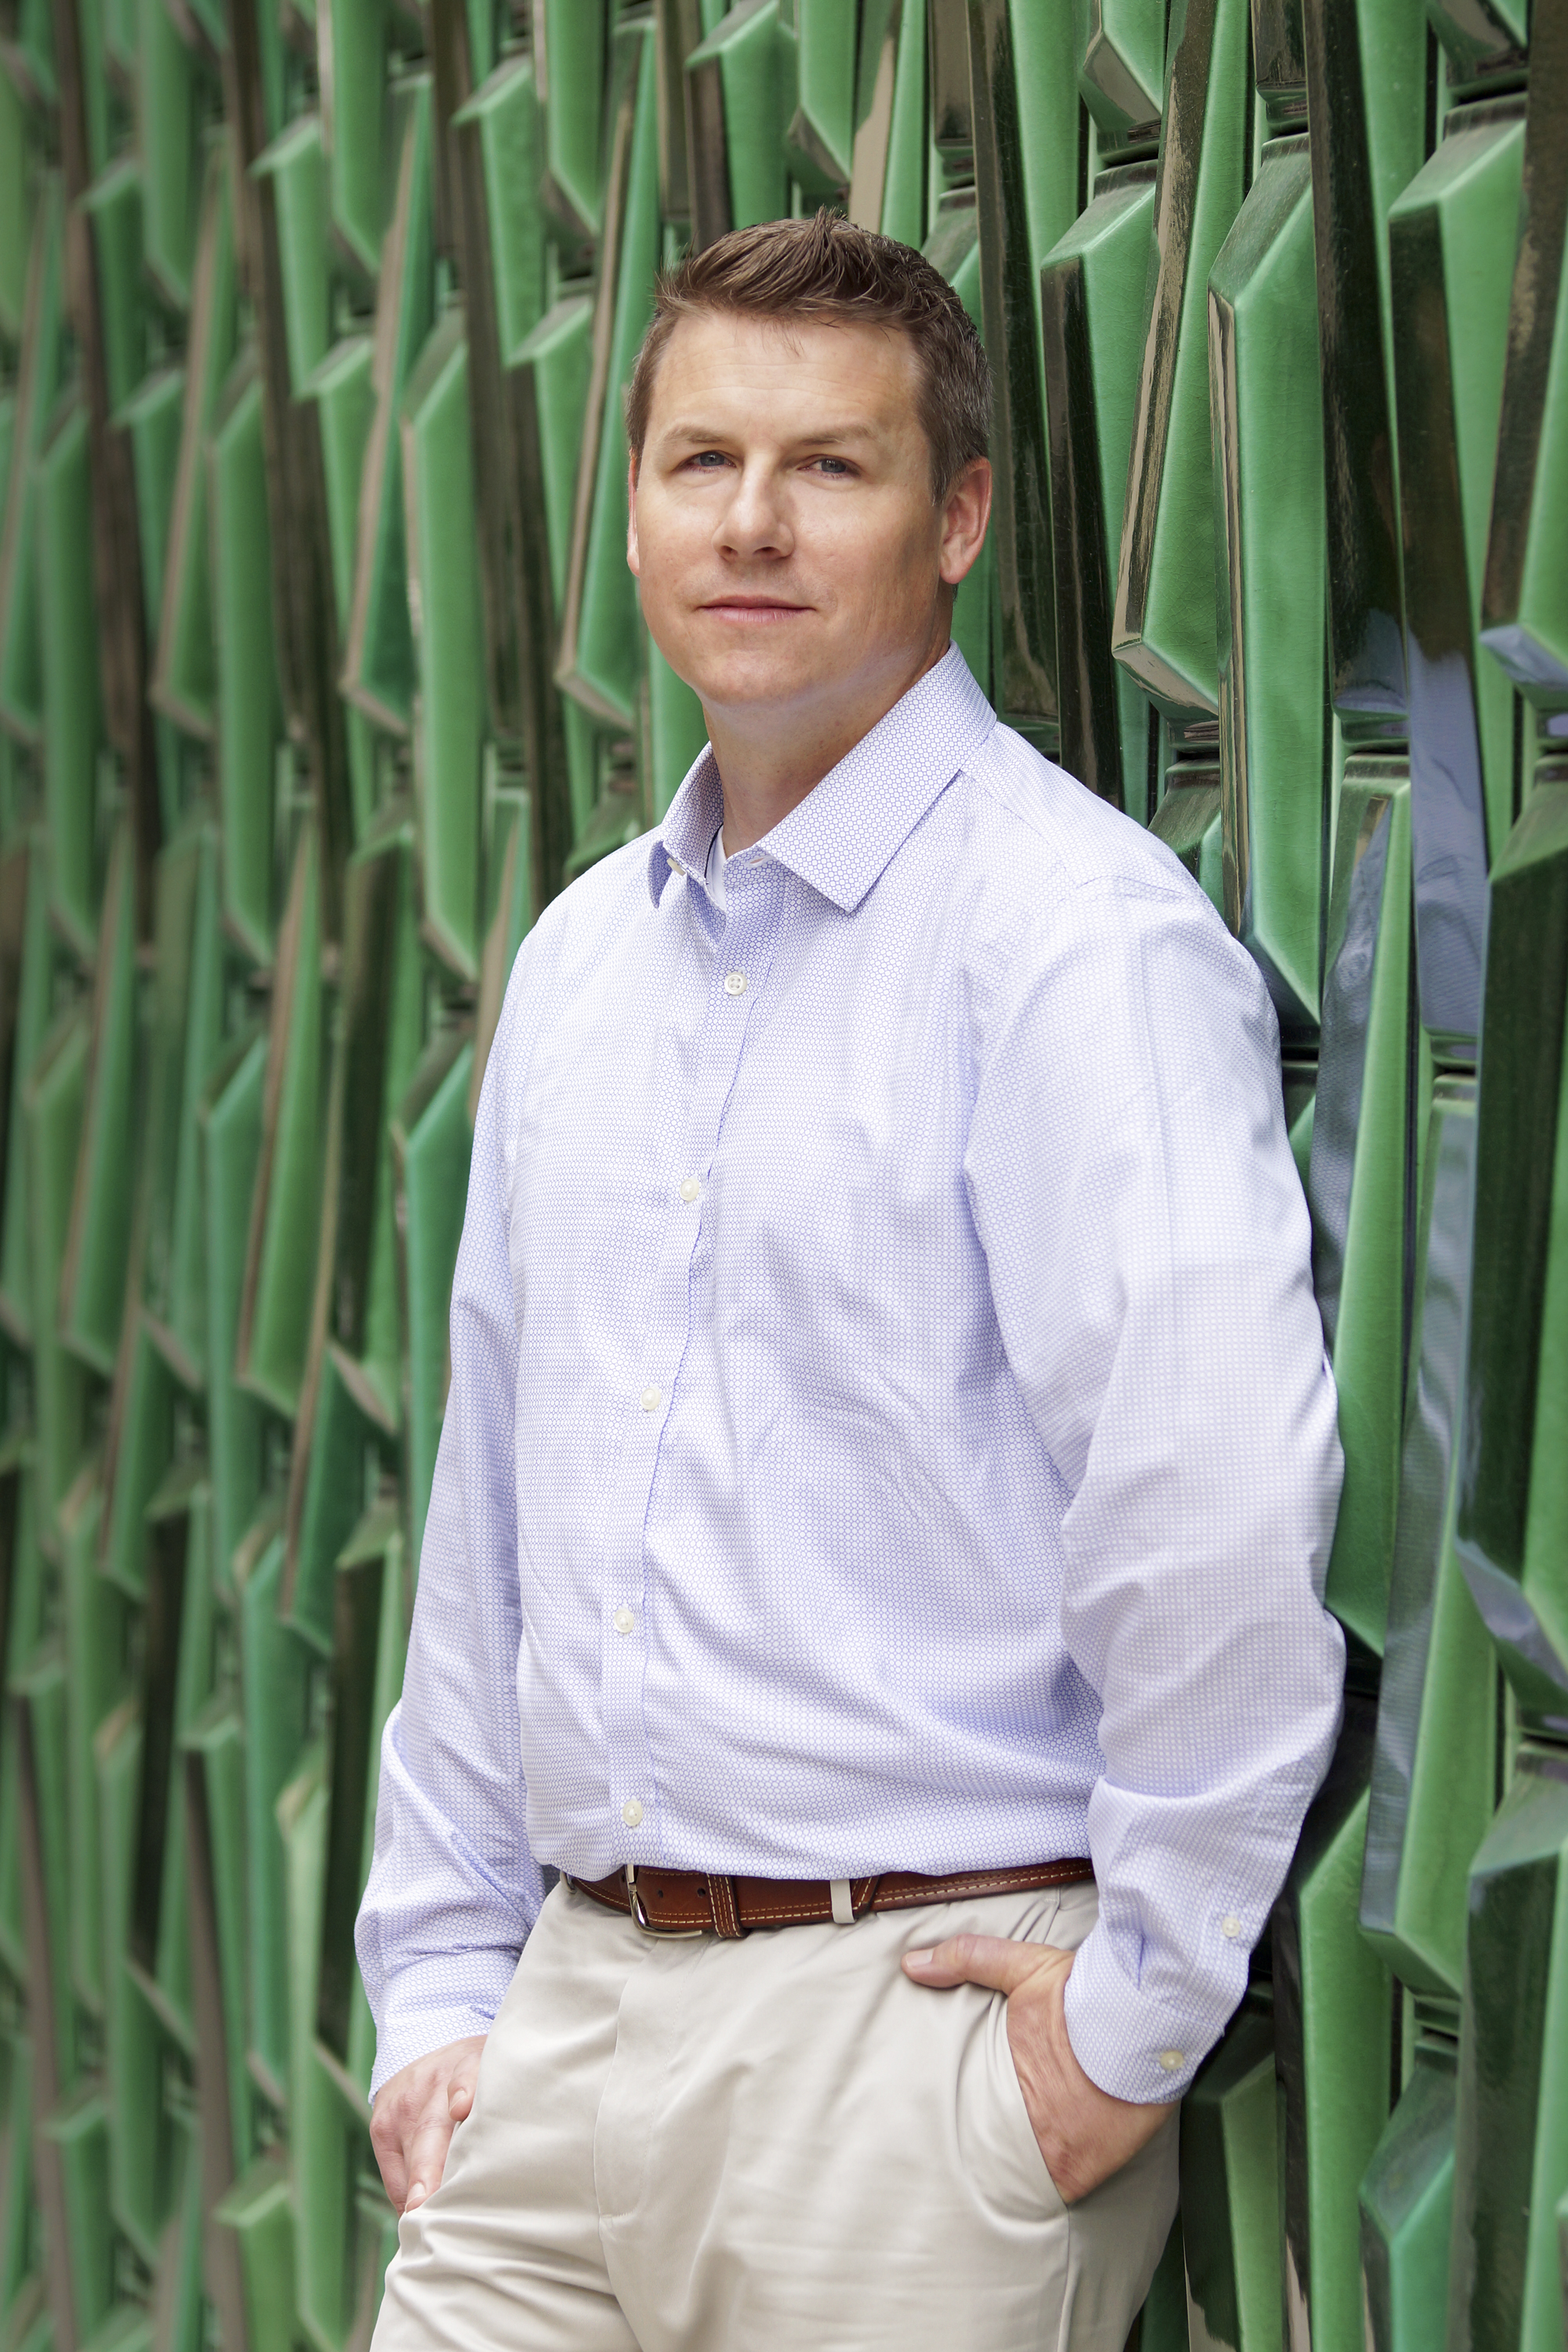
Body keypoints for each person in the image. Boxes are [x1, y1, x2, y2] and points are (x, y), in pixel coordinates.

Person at [358, 211, 1345, 2352]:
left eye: (830, 465)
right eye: (702, 461)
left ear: (958, 516)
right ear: (634, 510)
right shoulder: (579, 962)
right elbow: (493, 1516)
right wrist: (437, 1981)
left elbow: (1212, 1502)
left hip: (910, 2056)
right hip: (561, 2032)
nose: (754, 522)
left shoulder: (1071, 943)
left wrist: (1131, 2018)